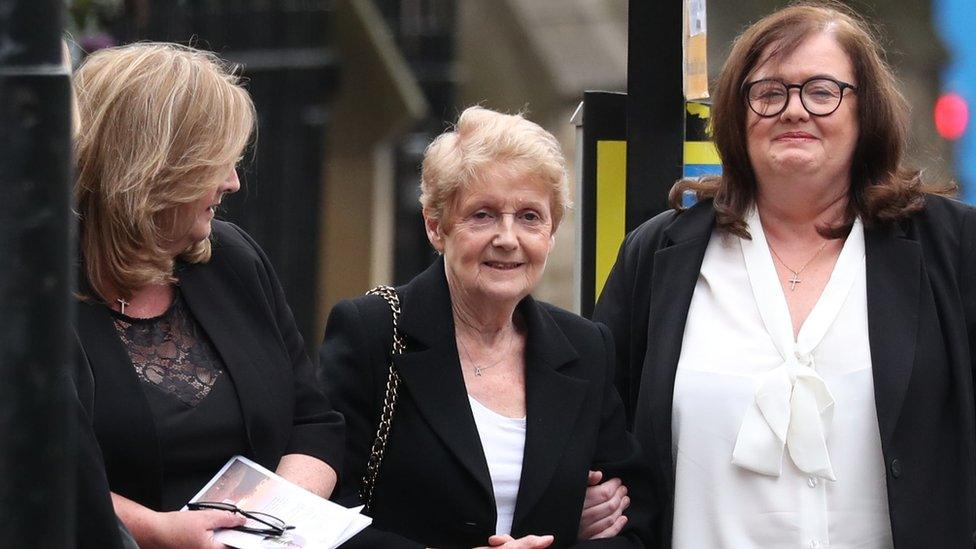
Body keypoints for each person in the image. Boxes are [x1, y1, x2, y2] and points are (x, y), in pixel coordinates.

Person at [594, 3, 976, 548]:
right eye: (769, 93)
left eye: (822, 91)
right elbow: (601, 434)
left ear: (864, 111)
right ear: (736, 111)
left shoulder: (953, 249)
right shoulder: (661, 255)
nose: (794, 111)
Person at [319, 106, 654, 548]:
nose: (508, 238)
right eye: (483, 215)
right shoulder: (373, 332)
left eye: (531, 217)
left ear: (552, 234)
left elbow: (636, 521)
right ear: (436, 227)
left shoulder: (585, 348)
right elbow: (321, 513)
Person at [71, 42, 344, 548]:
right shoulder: (41, 298)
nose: (234, 182)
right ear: (155, 171)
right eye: (216, 164)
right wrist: (159, 532)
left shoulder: (231, 259)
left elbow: (313, 421)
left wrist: (270, 522)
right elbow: (35, 474)